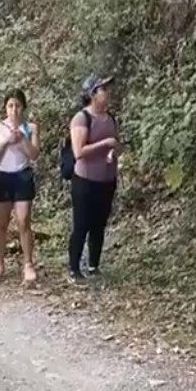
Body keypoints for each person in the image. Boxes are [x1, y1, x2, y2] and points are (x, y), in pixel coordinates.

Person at [67, 74, 120, 284]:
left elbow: (116, 144)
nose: (107, 93)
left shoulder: (111, 118)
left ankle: (93, 264)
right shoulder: (82, 118)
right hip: (85, 180)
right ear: (92, 94)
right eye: (103, 89)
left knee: (100, 223)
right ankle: (74, 268)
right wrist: (104, 144)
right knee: (82, 223)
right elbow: (78, 151)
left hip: (107, 179)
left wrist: (114, 150)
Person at [0, 88, 40, 284]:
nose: (14, 110)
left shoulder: (31, 127)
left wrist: (22, 139)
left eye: (17, 105)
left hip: (22, 176)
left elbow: (34, 154)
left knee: (24, 222)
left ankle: (28, 264)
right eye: (10, 105)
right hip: (2, 176)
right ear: (5, 108)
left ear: (23, 107)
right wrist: (6, 141)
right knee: (1, 224)